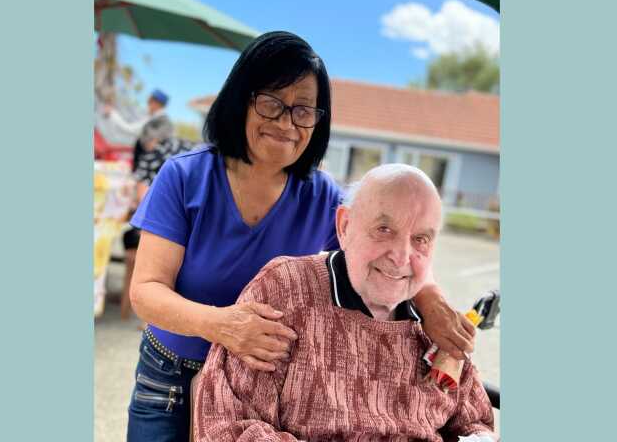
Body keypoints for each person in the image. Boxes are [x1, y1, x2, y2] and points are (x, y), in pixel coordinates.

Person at [125, 31, 475, 442]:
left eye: (303, 111)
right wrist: (223, 325)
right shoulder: (184, 178)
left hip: (259, 392)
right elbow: (145, 291)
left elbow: (385, 247)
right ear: (242, 99)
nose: (286, 123)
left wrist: (431, 304)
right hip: (173, 378)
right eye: (271, 103)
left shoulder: (325, 197)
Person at [194, 164, 496, 442]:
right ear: (344, 226)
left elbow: (474, 423)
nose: (401, 257)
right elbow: (228, 426)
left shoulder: (436, 323)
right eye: (384, 229)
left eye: (421, 239)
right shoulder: (285, 291)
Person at [120, 117, 194, 320]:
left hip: (164, 233)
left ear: (150, 138)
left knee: (131, 237)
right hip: (194, 235)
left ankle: (138, 310)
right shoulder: (190, 150)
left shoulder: (151, 156)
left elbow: (144, 201)